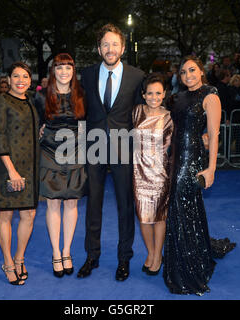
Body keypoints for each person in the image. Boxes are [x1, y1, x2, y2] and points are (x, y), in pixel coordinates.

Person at [77, 23, 144, 281]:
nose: (110, 49)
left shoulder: (137, 76)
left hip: (123, 147)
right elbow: (78, 109)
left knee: (125, 206)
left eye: (115, 44)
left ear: (123, 47)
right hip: (94, 145)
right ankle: (92, 256)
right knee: (93, 203)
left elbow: (145, 112)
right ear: (98, 48)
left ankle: (124, 258)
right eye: (105, 44)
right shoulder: (87, 74)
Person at [164, 55, 235, 296]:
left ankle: (189, 267)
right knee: (185, 209)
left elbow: (214, 135)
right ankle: (193, 252)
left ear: (201, 71)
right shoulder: (180, 97)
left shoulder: (210, 95)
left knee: (181, 206)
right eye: (183, 72)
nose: (188, 76)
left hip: (192, 160)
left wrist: (212, 168)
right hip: (176, 158)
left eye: (192, 70)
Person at [0, 61, 40, 286]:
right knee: (6, 215)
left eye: (25, 77)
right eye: (16, 76)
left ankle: (20, 258)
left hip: (30, 166)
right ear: (8, 79)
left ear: (30, 81)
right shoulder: (0, 101)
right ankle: (8, 262)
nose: (21, 81)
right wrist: (11, 171)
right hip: (8, 167)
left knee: (29, 214)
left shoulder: (30, 101)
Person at [38, 53, 86, 278]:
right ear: (53, 71)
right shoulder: (41, 97)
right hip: (49, 153)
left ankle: (67, 251)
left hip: (76, 153)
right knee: (53, 204)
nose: (64, 72)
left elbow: (87, 124)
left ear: (73, 71)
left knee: (72, 205)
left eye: (68, 67)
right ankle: (56, 253)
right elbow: (34, 123)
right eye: (59, 68)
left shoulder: (82, 95)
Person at [132, 73, 173, 276]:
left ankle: (158, 255)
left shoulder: (169, 117)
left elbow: (178, 143)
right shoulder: (137, 112)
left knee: (159, 216)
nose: (154, 97)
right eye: (150, 93)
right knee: (143, 217)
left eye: (158, 93)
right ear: (143, 94)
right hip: (138, 173)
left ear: (164, 94)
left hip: (160, 174)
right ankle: (150, 252)